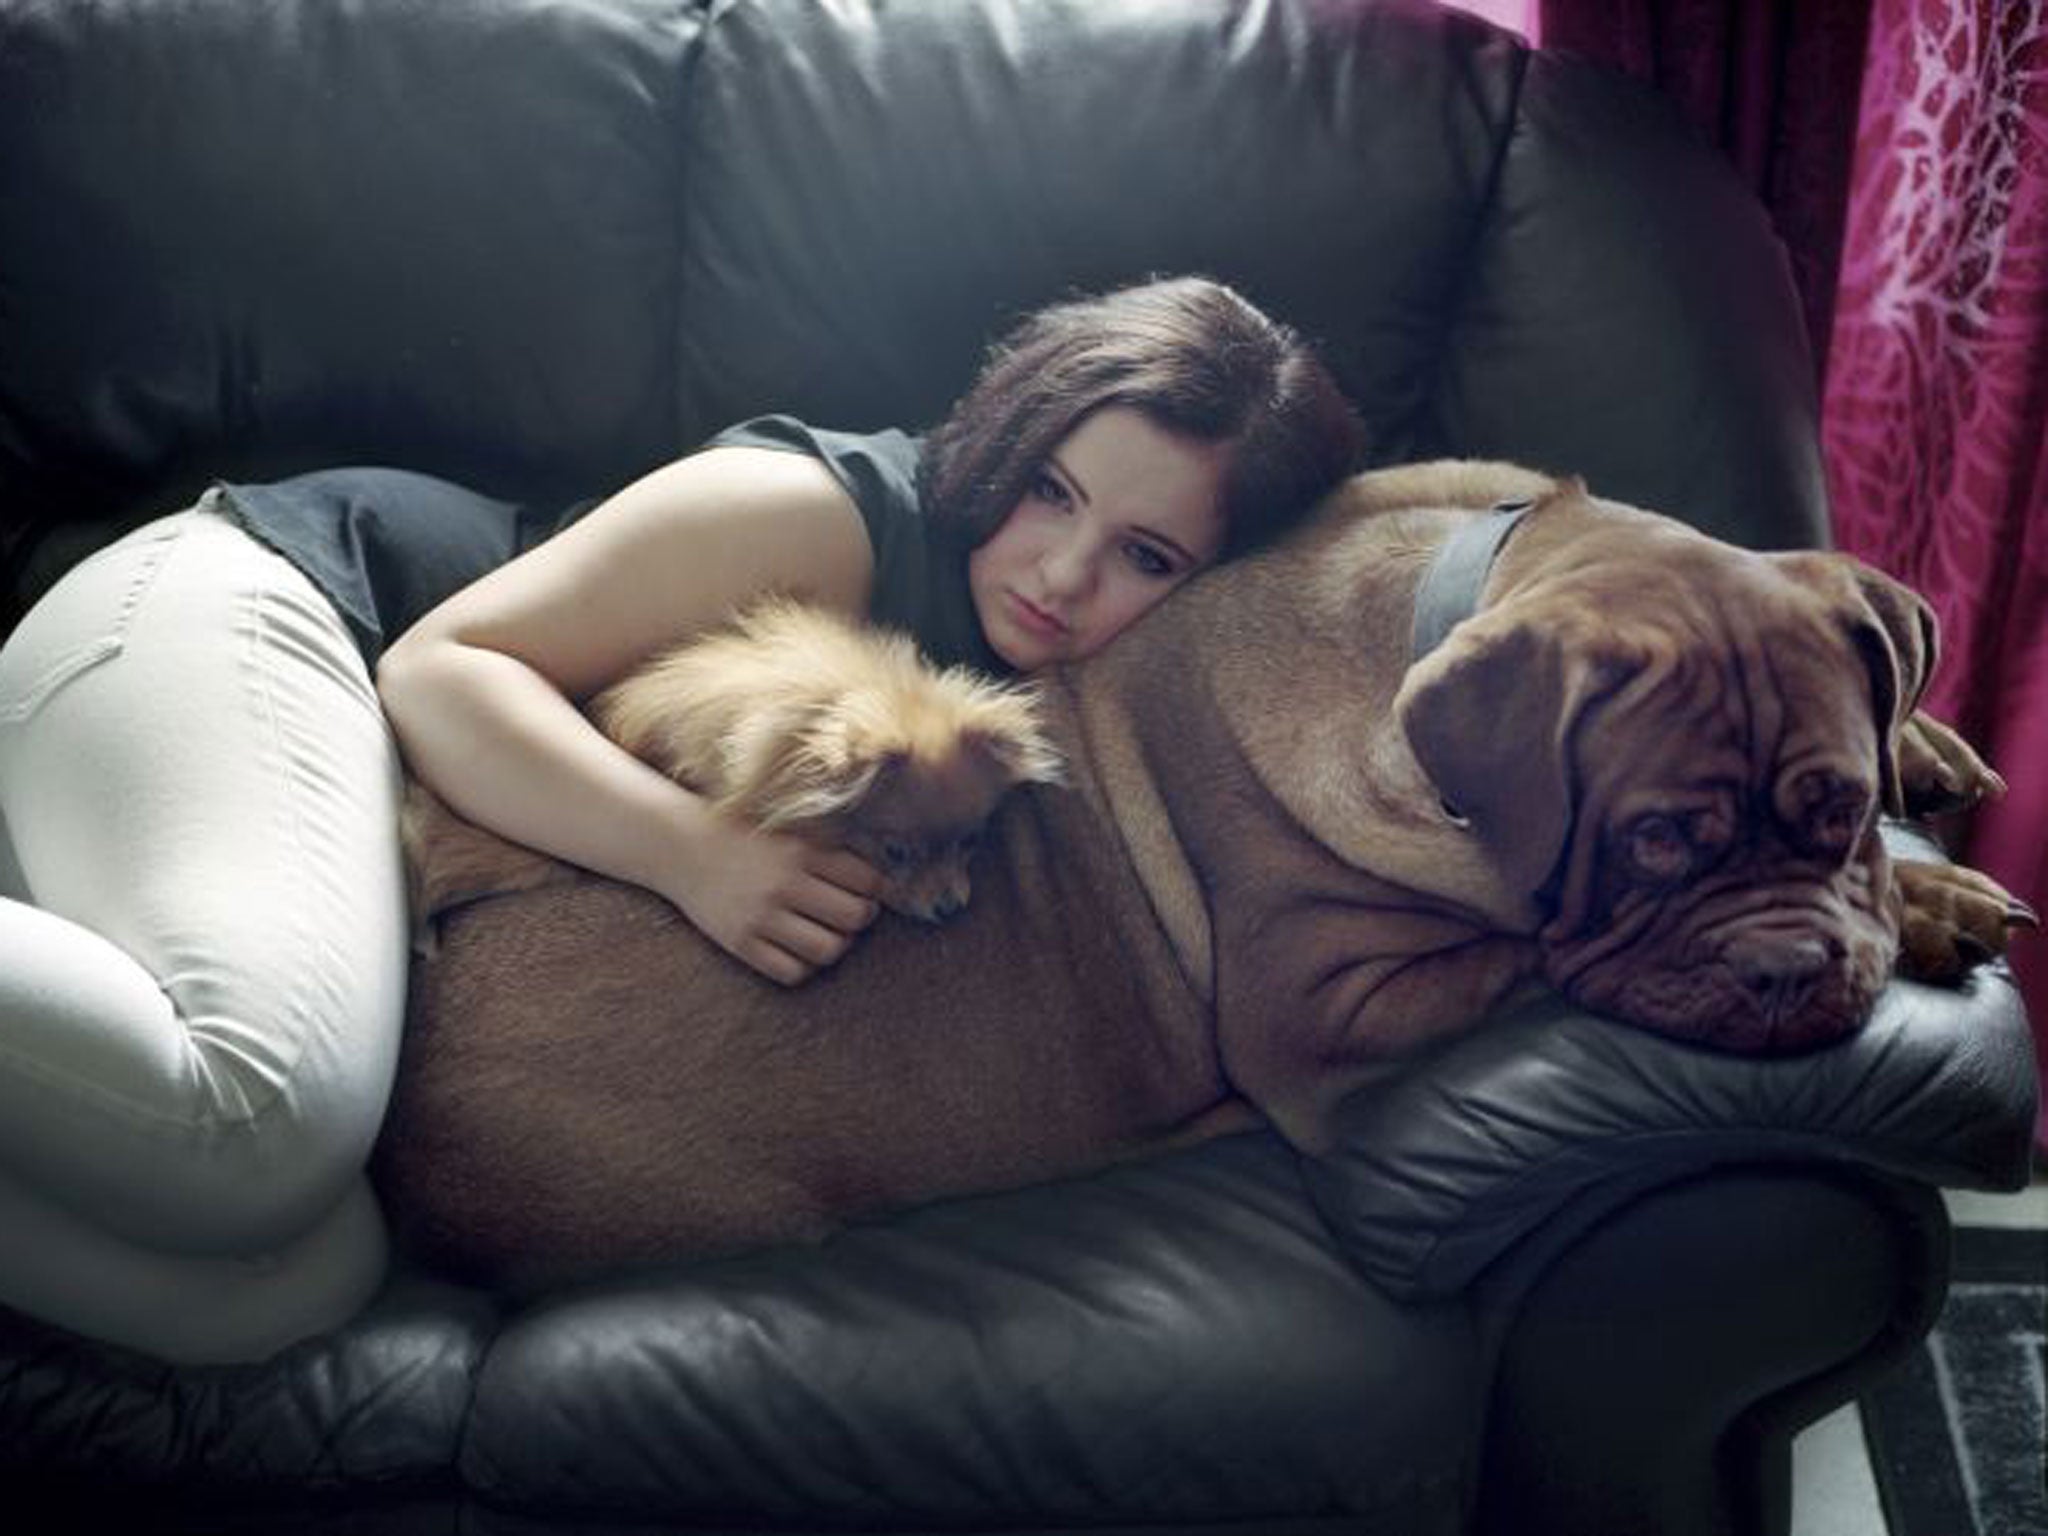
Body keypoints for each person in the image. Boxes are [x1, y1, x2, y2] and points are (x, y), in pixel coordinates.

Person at [0, 275, 1363, 1363]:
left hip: (281, 806)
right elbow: (440, 667)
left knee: (291, 1292)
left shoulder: (1063, 713)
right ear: (1006, 433)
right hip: (268, 619)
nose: (1063, 574)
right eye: (1050, 490)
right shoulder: (822, 516)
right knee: (264, 1125)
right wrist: (695, 856)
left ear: (1211, 592)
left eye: (1147, 556)